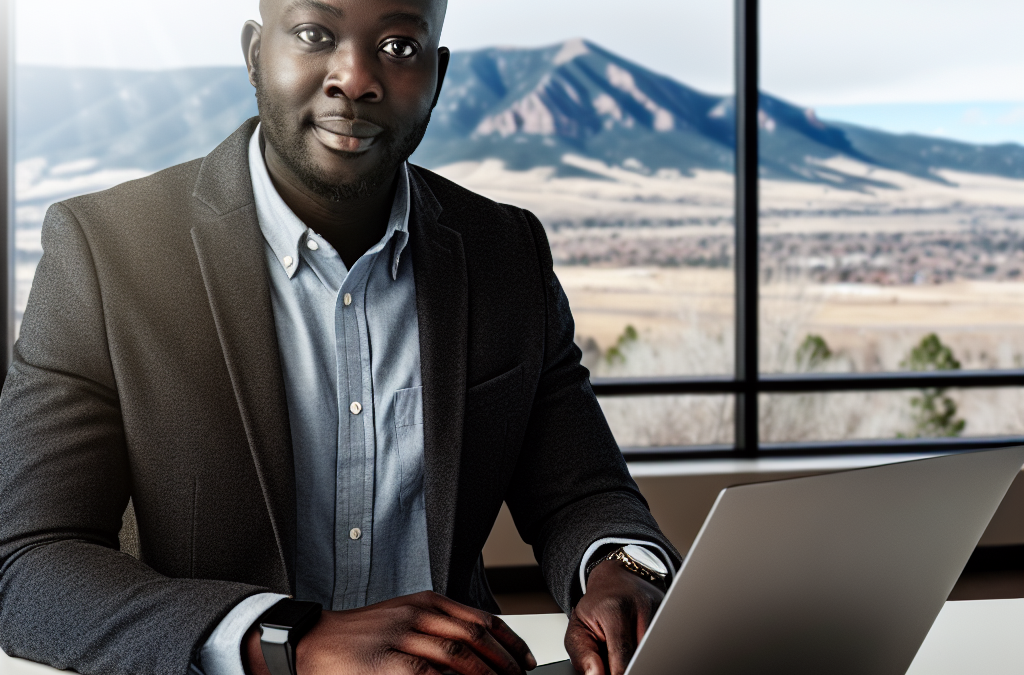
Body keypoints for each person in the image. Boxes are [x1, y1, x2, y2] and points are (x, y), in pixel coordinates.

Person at [0, 1, 680, 674]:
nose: (356, 78)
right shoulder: (107, 251)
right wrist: (288, 640)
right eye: (313, 33)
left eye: (399, 47)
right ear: (254, 55)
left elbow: (582, 492)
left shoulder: (505, 252)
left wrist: (624, 570)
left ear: (436, 77)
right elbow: (28, 563)